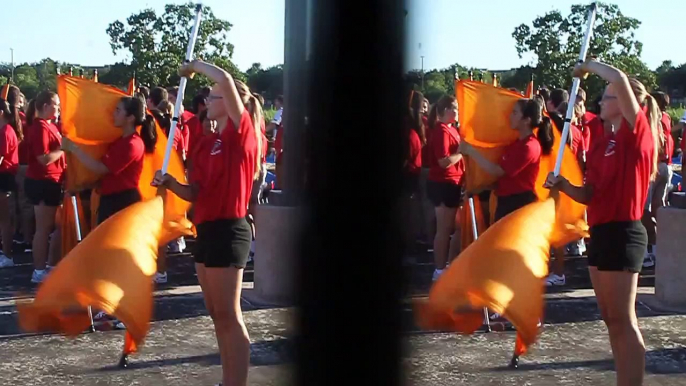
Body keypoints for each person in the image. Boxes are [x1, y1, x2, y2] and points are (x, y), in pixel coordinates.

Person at [545, 59, 658, 386]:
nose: (601, 101)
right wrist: (564, 185)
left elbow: (620, 78)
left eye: (607, 97)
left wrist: (588, 66)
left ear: (624, 103)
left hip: (624, 231)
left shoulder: (638, 137)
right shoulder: (603, 142)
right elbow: (591, 194)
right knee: (611, 319)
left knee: (624, 320)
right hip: (601, 231)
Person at [153, 59, 261, 386]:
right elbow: (196, 192)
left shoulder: (243, 137)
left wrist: (195, 66)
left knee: (229, 315)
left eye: (213, 97)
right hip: (207, 228)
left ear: (229, 103)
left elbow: (226, 78)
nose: (207, 101)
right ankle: (228, 379)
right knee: (217, 314)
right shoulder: (209, 142)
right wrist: (170, 183)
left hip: (230, 229)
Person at [62, 96, 157, 328]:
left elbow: (102, 168)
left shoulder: (132, 143)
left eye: (118, 111)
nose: (113, 114)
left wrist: (73, 148)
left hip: (123, 203)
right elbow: (106, 175)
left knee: (118, 259)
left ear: (130, 117)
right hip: (111, 200)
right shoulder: (120, 141)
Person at [460, 98, 553, 221]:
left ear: (526, 120)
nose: (510, 116)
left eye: (515, 113)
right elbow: (506, 178)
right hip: (507, 202)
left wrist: (471, 151)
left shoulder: (529, 146)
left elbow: (498, 171)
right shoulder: (517, 143)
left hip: (518, 204)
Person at [24, 91, 66, 283]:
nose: (58, 108)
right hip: (43, 180)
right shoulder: (40, 127)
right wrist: (64, 148)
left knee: (57, 226)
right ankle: (39, 270)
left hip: (53, 180)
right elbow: (43, 159)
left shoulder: (51, 126)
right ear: (46, 106)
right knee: (43, 228)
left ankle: (49, 264)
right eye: (56, 105)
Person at [426, 95, 463, 282]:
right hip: (443, 183)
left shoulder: (451, 129)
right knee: (444, 229)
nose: (458, 111)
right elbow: (443, 162)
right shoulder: (441, 131)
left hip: (453, 182)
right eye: (455, 108)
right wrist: (462, 152)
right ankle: (439, 269)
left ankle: (447, 264)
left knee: (456, 227)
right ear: (447, 110)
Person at [641, 91, 672, 268]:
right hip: (664, 166)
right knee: (658, 208)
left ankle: (648, 249)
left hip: (655, 166)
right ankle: (658, 247)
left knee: (644, 209)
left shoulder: (652, 118)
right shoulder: (666, 118)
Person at [0, 98, 20, 267]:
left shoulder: (5, 131)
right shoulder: (6, 129)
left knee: (4, 218)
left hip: (4, 177)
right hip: (5, 177)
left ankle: (7, 254)